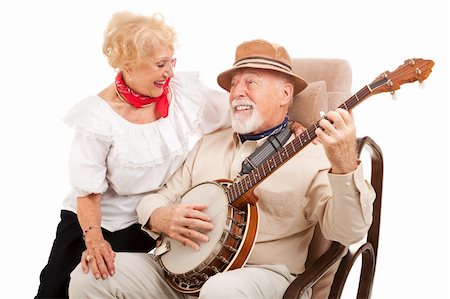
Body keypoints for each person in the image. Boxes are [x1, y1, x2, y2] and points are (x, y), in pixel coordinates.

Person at [69, 39, 375, 299]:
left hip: (265, 278)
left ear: (285, 95)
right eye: (233, 84)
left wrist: (345, 163)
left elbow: (349, 231)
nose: (237, 92)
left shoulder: (316, 155)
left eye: (250, 82)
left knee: (221, 290)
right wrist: (161, 216)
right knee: (90, 277)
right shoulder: (208, 144)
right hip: (183, 274)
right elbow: (158, 198)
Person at [35, 11, 231, 299]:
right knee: (57, 288)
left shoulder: (182, 94)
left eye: (171, 62)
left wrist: (288, 123)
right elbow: (88, 193)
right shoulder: (97, 118)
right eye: (161, 64)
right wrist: (95, 241)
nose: (170, 73)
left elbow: (237, 113)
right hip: (95, 220)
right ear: (129, 65)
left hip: (150, 216)